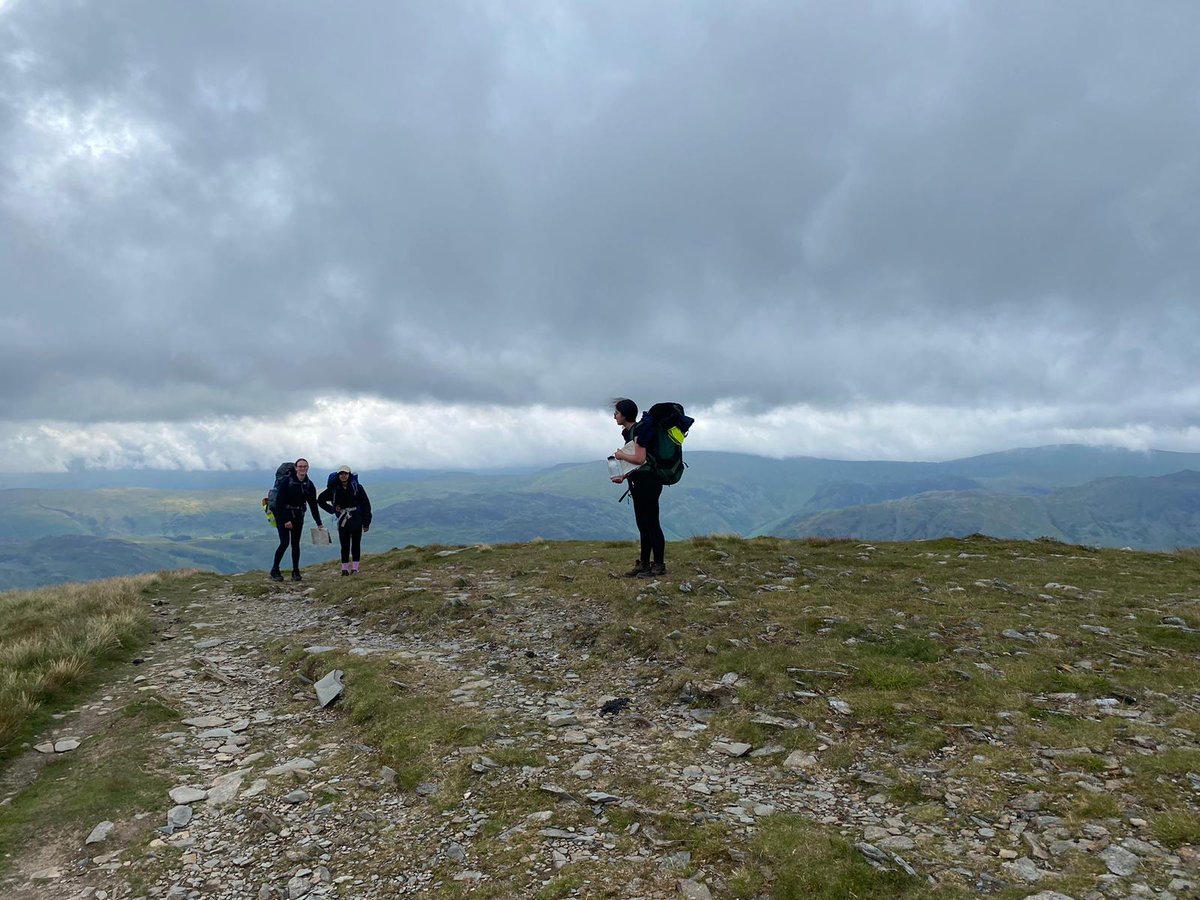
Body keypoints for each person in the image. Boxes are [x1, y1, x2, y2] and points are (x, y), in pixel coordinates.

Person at [611, 398, 667, 578]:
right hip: (639, 481)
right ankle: (644, 563)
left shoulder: (640, 431)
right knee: (643, 524)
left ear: (625, 415)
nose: (614, 417)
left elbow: (639, 459)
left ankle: (658, 565)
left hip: (648, 482)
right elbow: (637, 464)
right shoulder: (630, 432)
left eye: (617, 413)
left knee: (651, 523)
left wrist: (620, 455)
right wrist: (623, 476)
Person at [269, 458, 323, 582]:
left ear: (307, 468)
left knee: (295, 544)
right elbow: (279, 503)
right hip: (283, 516)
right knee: (284, 543)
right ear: (296, 468)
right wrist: (285, 520)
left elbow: (313, 505)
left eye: (305, 466)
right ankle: (275, 569)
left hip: (298, 516)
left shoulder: (309, 485)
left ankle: (295, 571)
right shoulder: (287, 482)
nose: (303, 468)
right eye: (300, 466)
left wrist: (318, 522)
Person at [318, 465, 372, 576]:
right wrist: (332, 509)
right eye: (341, 473)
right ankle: (344, 569)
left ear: (349, 474)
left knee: (356, 544)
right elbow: (320, 500)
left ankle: (355, 568)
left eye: (345, 473)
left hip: (356, 518)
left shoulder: (357, 487)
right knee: (345, 544)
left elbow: (366, 505)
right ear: (338, 475)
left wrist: (366, 523)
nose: (343, 475)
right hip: (343, 519)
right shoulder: (333, 489)